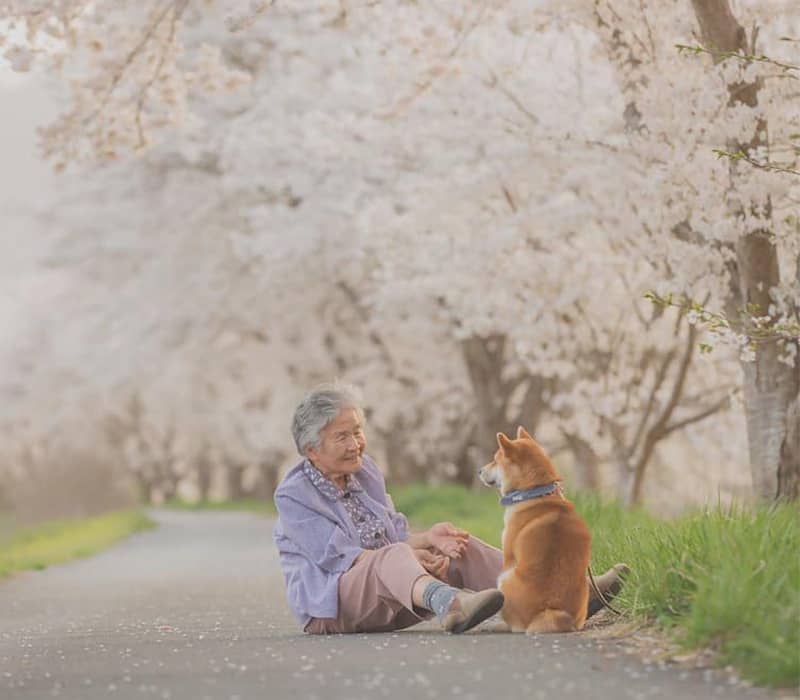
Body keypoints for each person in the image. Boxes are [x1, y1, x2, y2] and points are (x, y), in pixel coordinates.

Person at [273, 384, 627, 635]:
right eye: (342, 437)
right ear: (311, 450)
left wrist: (429, 540)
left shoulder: (364, 471)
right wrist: (412, 559)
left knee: (459, 545)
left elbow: (394, 537)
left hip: (395, 596)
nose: (356, 444)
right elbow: (342, 558)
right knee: (395, 555)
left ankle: (566, 594)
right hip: (333, 610)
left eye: (358, 431)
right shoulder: (293, 495)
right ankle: (452, 606)